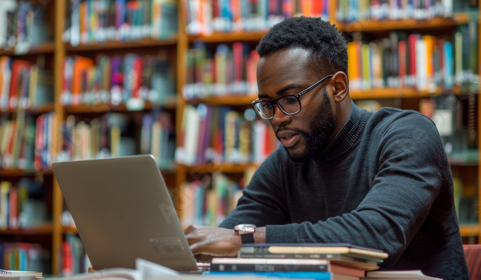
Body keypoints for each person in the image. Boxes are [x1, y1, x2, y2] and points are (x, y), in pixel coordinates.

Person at [184, 16, 469, 279]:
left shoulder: (408, 135)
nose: (279, 118)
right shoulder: (284, 165)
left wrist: (244, 240)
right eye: (268, 105)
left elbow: (377, 235)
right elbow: (223, 238)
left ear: (338, 88)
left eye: (291, 98)